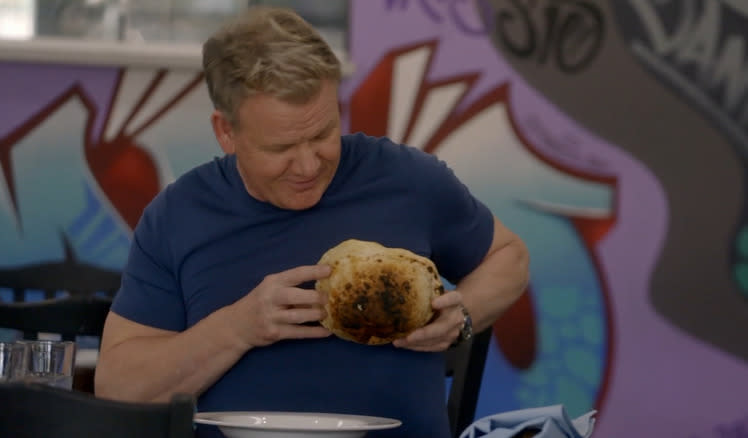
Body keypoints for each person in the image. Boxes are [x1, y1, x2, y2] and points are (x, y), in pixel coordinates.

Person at [94, 6, 530, 438]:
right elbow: (119, 388)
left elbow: (509, 257)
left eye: (322, 134)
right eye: (281, 147)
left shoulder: (408, 180)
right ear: (226, 132)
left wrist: (464, 315)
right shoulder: (178, 215)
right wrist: (237, 328)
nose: (307, 165)